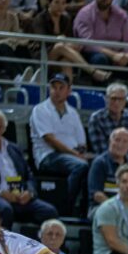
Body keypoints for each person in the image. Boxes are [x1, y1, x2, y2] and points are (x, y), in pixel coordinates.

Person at [0, 108, 58, 229]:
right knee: (5, 210)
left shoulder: (15, 149)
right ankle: (1, 246)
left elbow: (29, 175)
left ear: (3, 128)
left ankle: (37, 247)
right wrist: (1, 193)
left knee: (49, 212)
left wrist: (29, 192)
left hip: (20, 196)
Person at [29, 73, 89, 211]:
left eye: (61, 87)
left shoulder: (73, 113)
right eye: (54, 87)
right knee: (80, 166)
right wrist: (75, 154)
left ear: (69, 90)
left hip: (71, 155)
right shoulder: (40, 110)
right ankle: (68, 207)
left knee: (97, 163)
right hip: (48, 156)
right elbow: (50, 139)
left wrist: (80, 152)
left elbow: (82, 142)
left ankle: (86, 207)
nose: (57, 91)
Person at [31, 0, 112, 83]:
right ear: (49, 3)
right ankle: (93, 71)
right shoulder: (40, 18)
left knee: (66, 61)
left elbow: (70, 38)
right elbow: (43, 41)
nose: (60, 6)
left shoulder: (65, 19)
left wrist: (72, 44)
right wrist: (59, 41)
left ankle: (68, 90)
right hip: (42, 55)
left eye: (63, 3)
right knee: (60, 46)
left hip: (61, 55)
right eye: (57, 2)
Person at [88, 127, 128, 217]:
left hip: (127, 208)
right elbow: (97, 195)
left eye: (125, 141)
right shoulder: (100, 163)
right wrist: (119, 209)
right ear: (110, 142)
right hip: (102, 207)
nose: (120, 145)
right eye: (117, 140)